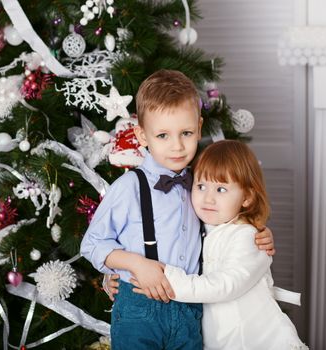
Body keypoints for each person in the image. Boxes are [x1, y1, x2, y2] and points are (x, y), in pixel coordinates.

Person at [80, 70, 275, 350]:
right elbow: (93, 244)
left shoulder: (200, 183)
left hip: (189, 308)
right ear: (142, 136)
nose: (177, 146)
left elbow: (226, 223)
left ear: (199, 126)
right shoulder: (128, 187)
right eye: (163, 135)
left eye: (186, 133)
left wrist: (259, 231)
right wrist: (134, 264)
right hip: (140, 308)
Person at [129, 140, 308, 350]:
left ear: (247, 197)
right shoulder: (198, 227)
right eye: (201, 186)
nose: (208, 198)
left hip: (256, 341)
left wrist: (167, 281)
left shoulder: (249, 237)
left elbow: (224, 285)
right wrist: (119, 272)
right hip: (218, 339)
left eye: (221, 189)